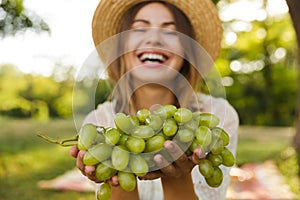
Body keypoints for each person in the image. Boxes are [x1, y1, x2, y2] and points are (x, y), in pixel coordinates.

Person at [70, 0, 239, 200]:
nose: (154, 39)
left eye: (170, 31)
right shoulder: (99, 123)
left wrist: (178, 177)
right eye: (139, 29)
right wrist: (116, 175)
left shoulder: (219, 116)